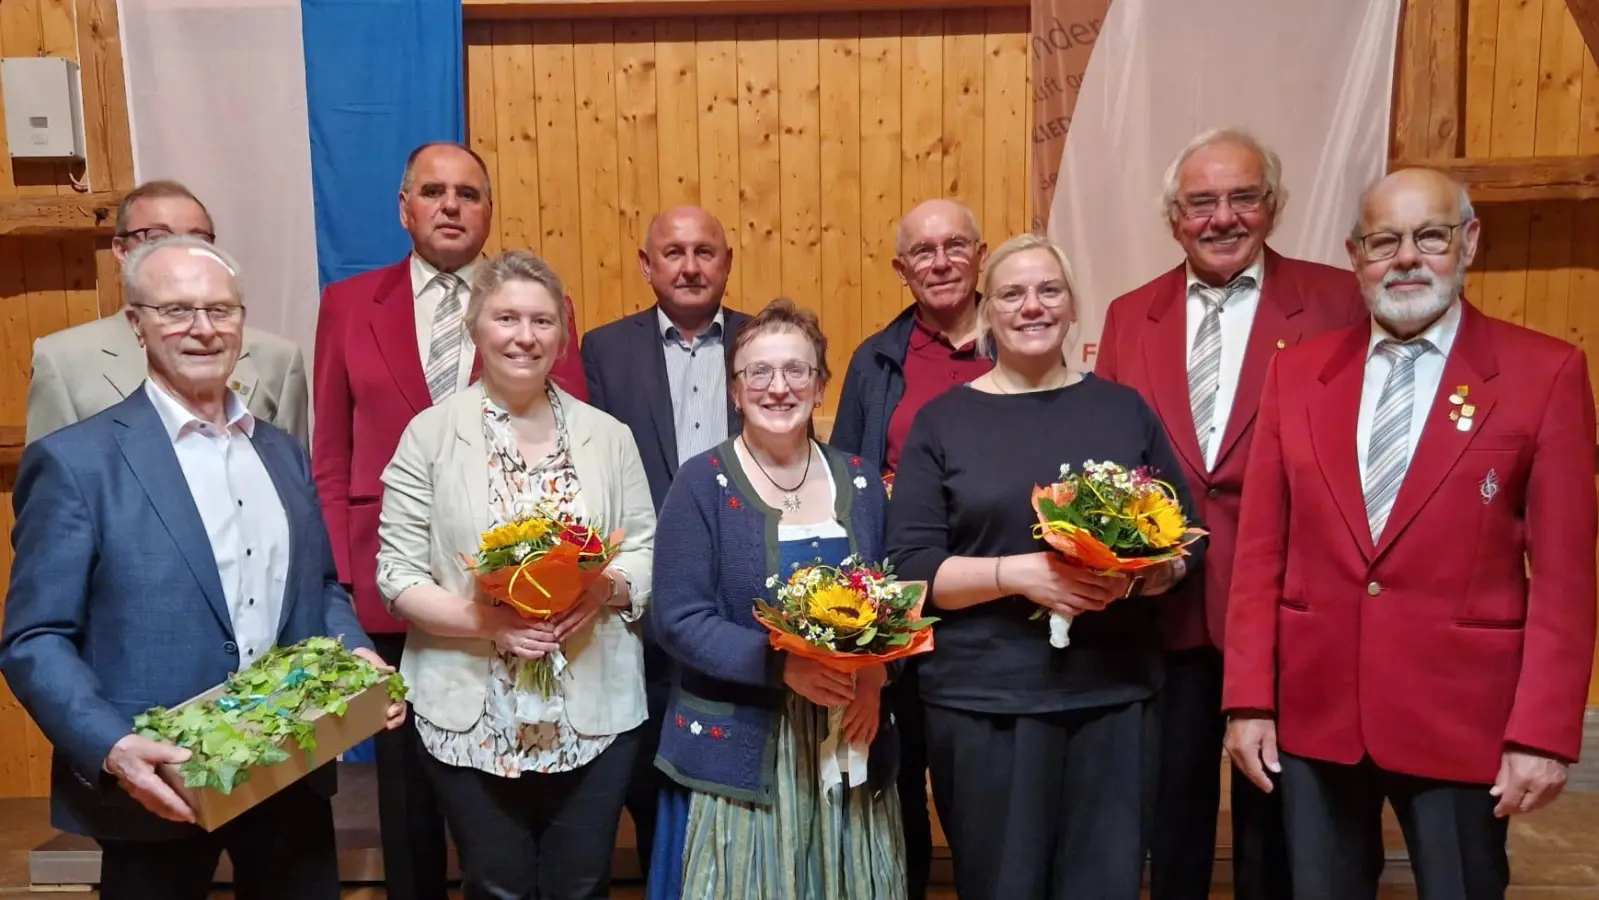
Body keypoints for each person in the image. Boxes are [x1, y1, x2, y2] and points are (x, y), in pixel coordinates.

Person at [1223, 168, 1597, 900]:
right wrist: (1248, 701)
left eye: (1429, 236)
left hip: (1461, 719)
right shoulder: (1295, 376)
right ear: (1354, 255)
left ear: (1468, 243)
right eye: (1382, 241)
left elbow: (1565, 581)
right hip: (1314, 716)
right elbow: (1259, 554)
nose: (1405, 258)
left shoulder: (1544, 373)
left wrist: (1543, 734)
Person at [0, 236, 402, 900]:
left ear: (241, 320)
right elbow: (34, 638)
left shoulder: (283, 453)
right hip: (156, 781)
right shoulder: (78, 462)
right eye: (176, 311)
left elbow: (321, 587)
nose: (203, 328)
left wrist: (353, 650)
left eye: (220, 310)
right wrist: (111, 746)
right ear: (137, 324)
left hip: (291, 768)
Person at [887, 233, 1205, 899]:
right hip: (985, 705)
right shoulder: (941, 422)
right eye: (1012, 294)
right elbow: (912, 571)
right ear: (987, 313)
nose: (1032, 306)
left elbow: (1186, 541)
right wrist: (1017, 574)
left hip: (1114, 696)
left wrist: (1144, 576)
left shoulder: (1123, 409)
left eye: (1048, 290)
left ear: (1072, 307)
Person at [1094, 128, 1365, 900]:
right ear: (1173, 218)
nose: (1221, 218)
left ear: (1273, 206)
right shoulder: (1128, 315)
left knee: (1277, 828)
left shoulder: (1338, 302)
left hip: (1286, 610)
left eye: (1242, 198)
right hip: (1165, 611)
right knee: (1170, 819)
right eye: (1200, 203)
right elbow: (1111, 458)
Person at [312, 141, 586, 900]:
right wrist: (342, 582)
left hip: (510, 588)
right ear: (404, 208)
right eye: (433, 192)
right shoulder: (347, 305)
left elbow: (569, 445)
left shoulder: (536, 310)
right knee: (405, 794)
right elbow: (330, 454)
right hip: (388, 585)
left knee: (500, 790)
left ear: (488, 210)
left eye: (468, 193)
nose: (451, 206)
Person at [375, 249, 657, 899]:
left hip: (595, 709)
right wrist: (491, 624)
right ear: (475, 327)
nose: (524, 336)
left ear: (563, 335)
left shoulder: (609, 436)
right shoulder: (429, 435)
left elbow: (643, 549)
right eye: (506, 318)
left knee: (581, 883)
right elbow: (397, 575)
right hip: (469, 712)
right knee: (495, 883)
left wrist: (601, 589)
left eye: (542, 321)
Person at [647, 298, 905, 899]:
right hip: (744, 754)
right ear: (735, 392)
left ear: (821, 385)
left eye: (797, 370)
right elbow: (678, 619)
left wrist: (875, 677)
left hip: (851, 737)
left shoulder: (861, 481)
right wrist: (782, 666)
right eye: (758, 372)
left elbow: (893, 601)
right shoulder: (701, 483)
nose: (779, 387)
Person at [579, 206, 750, 873]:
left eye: (705, 251)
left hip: (744, 596)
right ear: (646, 266)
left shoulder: (761, 340)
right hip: (642, 603)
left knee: (737, 774)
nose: (690, 266)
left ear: (726, 263)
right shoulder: (604, 349)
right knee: (652, 782)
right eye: (673, 253)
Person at [830, 198, 992, 898]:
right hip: (900, 606)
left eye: (955, 246)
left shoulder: (1016, 341)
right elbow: (844, 479)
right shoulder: (876, 361)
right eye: (923, 252)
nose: (941, 262)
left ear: (981, 255)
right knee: (897, 780)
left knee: (978, 789)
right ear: (901, 270)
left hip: (993, 605)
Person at [25, 179, 308, 445]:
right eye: (157, 238)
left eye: (196, 239)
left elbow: (291, 474)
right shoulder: (64, 361)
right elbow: (53, 475)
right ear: (121, 250)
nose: (179, 251)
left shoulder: (275, 360)